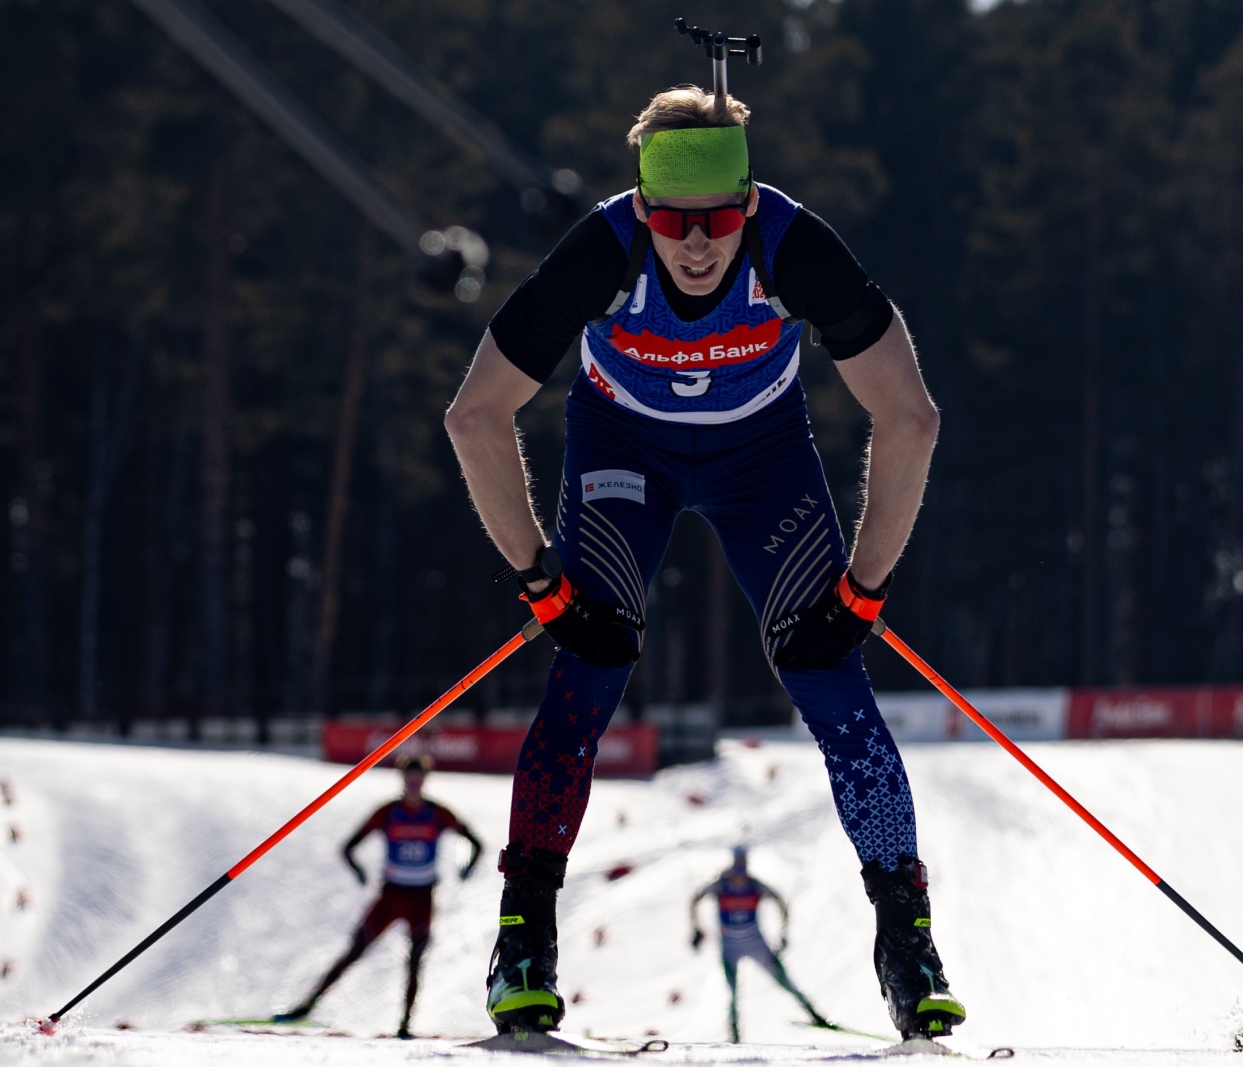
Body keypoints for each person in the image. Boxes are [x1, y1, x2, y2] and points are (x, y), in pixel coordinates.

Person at [444, 85, 965, 1041]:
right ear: (642, 206)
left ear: (748, 204)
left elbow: (912, 416)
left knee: (827, 668)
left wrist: (865, 589)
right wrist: (539, 581)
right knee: (591, 657)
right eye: (673, 221)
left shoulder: (792, 247)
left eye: (719, 220)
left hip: (760, 457)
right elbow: (474, 415)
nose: (695, 245)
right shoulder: (603, 251)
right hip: (622, 449)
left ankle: (908, 945)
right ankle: (523, 944)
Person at [275, 754, 482, 1038]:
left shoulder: (437, 813)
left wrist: (466, 869)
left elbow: (476, 842)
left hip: (422, 897)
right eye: (409, 779)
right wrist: (360, 873)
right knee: (355, 951)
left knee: (415, 960)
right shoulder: (388, 812)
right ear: (402, 780)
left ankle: (405, 1024)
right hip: (390, 895)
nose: (413, 785)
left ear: (425, 780)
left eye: (418, 780)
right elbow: (348, 847)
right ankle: (306, 1007)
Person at [690, 845, 828, 1043]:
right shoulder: (721, 885)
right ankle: (734, 1034)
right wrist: (696, 927)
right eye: (737, 865)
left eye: (743, 865)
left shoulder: (754, 885)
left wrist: (783, 932)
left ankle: (815, 1014)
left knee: (784, 981)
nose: (740, 871)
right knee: (732, 991)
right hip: (729, 947)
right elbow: (696, 898)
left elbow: (780, 901)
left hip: (756, 943)